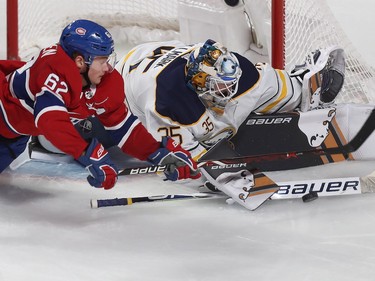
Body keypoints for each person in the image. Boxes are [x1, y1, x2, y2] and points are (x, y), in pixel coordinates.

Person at [0, 20, 201, 190]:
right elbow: (50, 121)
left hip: (14, 134)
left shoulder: (103, 82)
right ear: (80, 61)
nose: (108, 67)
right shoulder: (54, 68)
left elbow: (124, 129)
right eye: (102, 60)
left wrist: (157, 153)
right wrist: (87, 153)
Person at [115, 39, 345, 160]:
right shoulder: (164, 99)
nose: (228, 91)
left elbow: (260, 85)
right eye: (220, 86)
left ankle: (300, 82)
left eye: (230, 83)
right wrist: (191, 159)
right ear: (199, 81)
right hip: (127, 82)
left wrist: (302, 90)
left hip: (161, 53)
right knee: (201, 139)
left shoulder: (240, 70)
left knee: (278, 89)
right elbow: (180, 156)